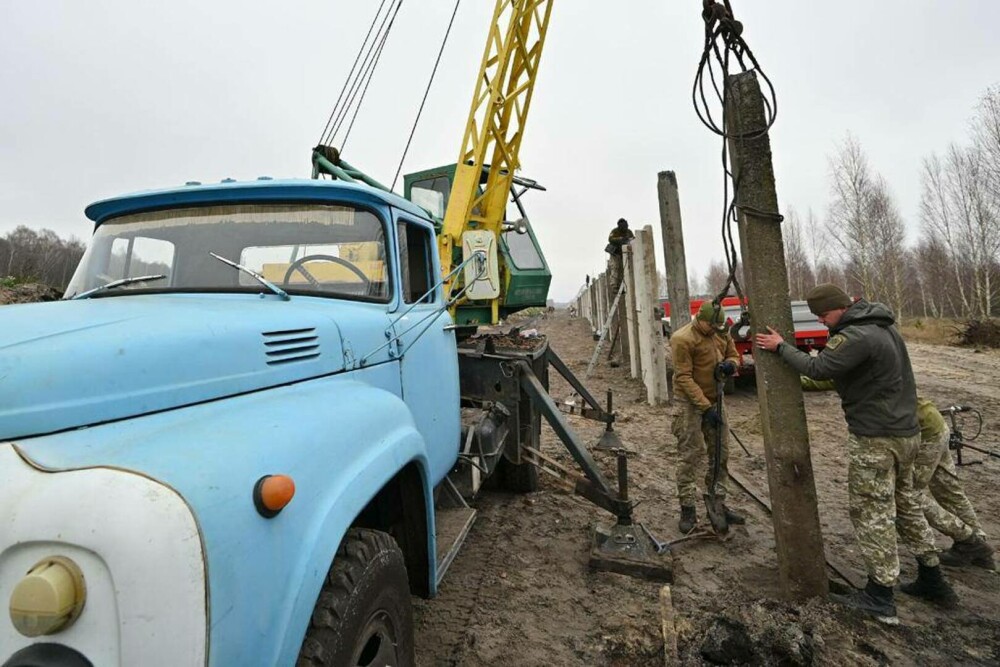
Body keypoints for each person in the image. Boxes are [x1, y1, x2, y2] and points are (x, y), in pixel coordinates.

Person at [756, 284, 957, 622]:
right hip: (907, 434)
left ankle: (880, 596)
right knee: (906, 505)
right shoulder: (884, 327)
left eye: (824, 315)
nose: (822, 322)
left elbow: (819, 369)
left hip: (876, 438)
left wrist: (780, 348)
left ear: (840, 308)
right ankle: (933, 578)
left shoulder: (856, 336)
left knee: (871, 511)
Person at [802, 379, 995, 571]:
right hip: (933, 423)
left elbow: (820, 378)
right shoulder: (884, 355)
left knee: (909, 496)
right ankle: (979, 546)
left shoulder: (856, 357)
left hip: (921, 434)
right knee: (948, 489)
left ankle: (969, 540)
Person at [670, 300, 744, 533]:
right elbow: (683, 377)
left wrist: (730, 366)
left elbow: (734, 355)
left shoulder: (720, 331)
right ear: (700, 320)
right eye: (710, 326)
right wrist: (705, 408)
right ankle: (688, 508)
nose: (714, 330)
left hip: (716, 398)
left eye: (717, 327)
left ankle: (718, 502)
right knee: (690, 454)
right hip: (689, 403)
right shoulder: (682, 339)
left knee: (721, 452)